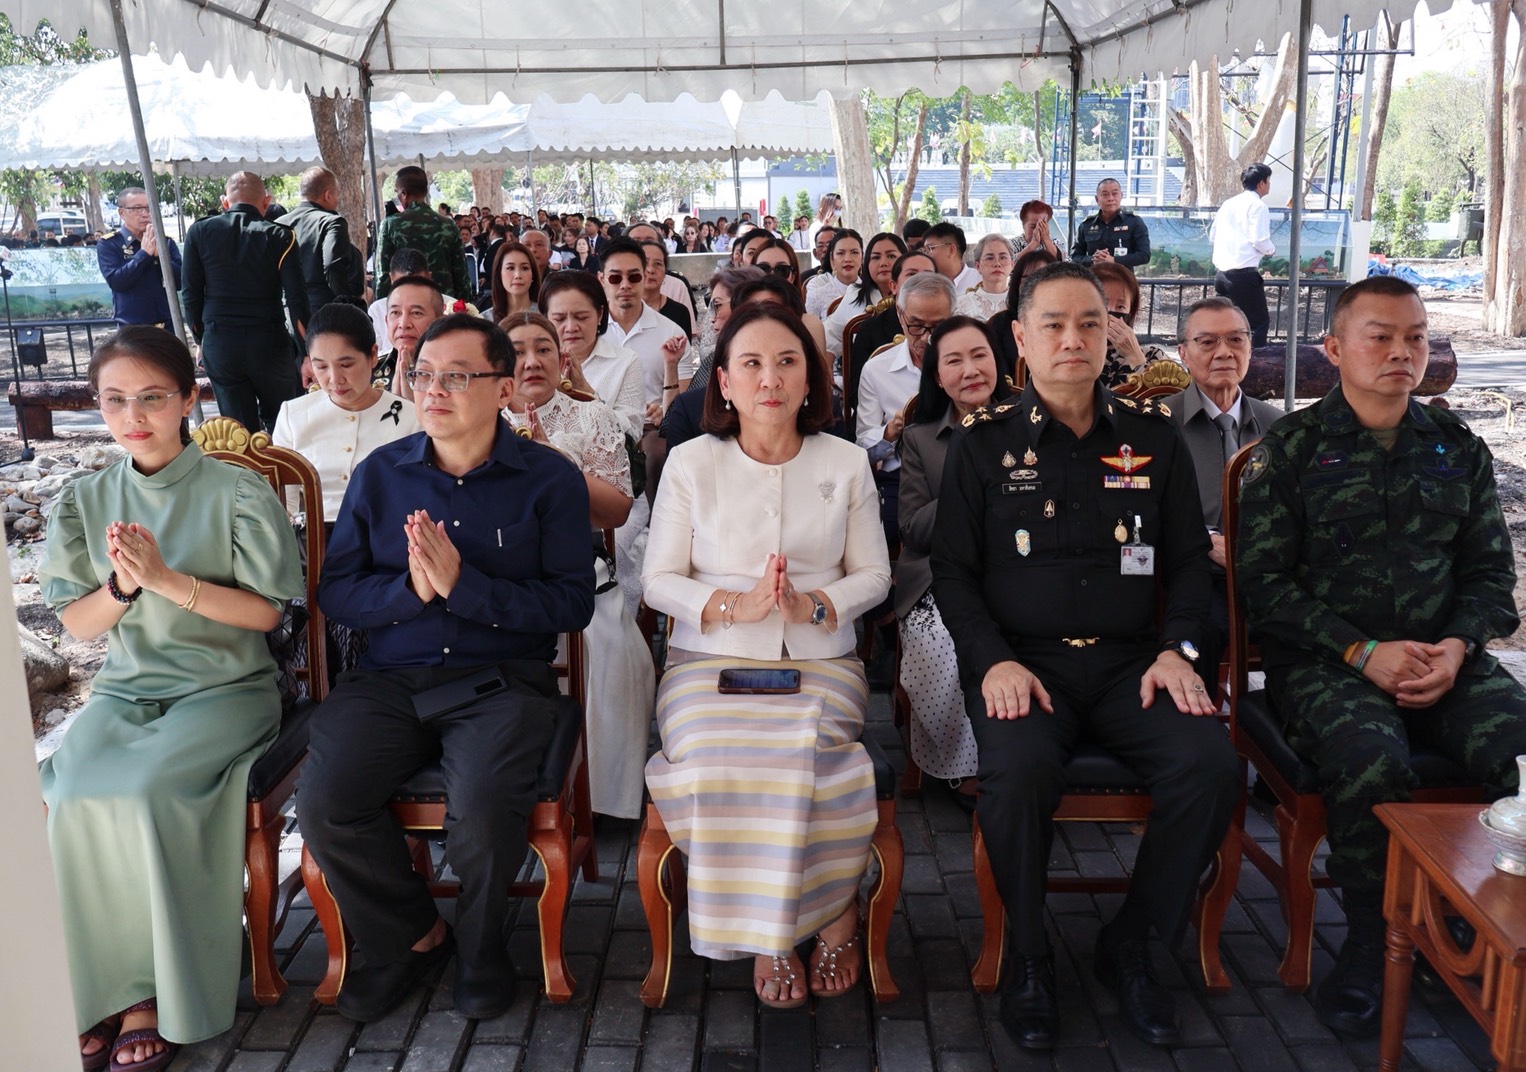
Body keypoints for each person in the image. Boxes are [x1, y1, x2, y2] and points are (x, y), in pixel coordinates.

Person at [932, 261, 1238, 1051]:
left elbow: (1188, 565)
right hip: (1024, 666)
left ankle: (1133, 942)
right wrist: (993, 662)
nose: (1073, 339)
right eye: (1055, 325)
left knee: (1209, 766)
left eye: (1090, 324)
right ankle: (1029, 955)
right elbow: (953, 576)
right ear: (1021, 338)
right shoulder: (984, 444)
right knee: (1017, 773)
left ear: (1111, 335)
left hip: (1135, 664)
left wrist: (1179, 651)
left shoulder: (1152, 437)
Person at [1234, 274, 1526, 1039]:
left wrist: (1457, 648)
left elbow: (1491, 576)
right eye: (1382, 336)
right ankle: (1371, 937)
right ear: (1334, 349)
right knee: (1371, 758)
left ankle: (1480, 921)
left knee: (1521, 751)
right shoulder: (1292, 451)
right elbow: (1263, 586)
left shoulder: (1456, 448)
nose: (1402, 352)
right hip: (1328, 664)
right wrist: (1362, 652)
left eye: (1416, 337)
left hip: (1445, 661)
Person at [297, 315, 596, 1025]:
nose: (433, 390)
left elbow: (572, 603)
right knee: (326, 803)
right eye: (424, 374)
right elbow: (338, 592)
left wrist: (466, 588)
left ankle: (483, 949)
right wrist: (411, 592)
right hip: (391, 678)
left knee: (483, 814)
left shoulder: (548, 479)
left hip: (500, 682)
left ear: (502, 389)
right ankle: (410, 936)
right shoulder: (381, 475)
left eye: (456, 376)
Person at [41, 326, 302, 1072]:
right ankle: (97, 986)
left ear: (189, 399)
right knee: (72, 793)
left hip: (226, 690)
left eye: (152, 397)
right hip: (127, 693)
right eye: (114, 400)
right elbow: (76, 623)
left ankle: (155, 991)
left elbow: (267, 614)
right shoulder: (86, 499)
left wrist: (167, 581)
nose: (133, 416)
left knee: (149, 792)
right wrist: (124, 587)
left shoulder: (237, 491)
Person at [642, 302, 892, 1010]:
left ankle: (834, 912)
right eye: (750, 364)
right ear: (723, 382)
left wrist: (812, 606)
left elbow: (875, 575)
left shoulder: (845, 461)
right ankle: (773, 932)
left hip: (821, 661)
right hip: (708, 661)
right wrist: (734, 605)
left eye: (787, 362)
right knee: (717, 755)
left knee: (807, 755)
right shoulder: (692, 462)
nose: (770, 379)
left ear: (811, 379)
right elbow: (659, 580)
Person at [501, 311, 653, 819]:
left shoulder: (591, 417)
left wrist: (555, 465)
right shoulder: (477, 419)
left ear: (561, 358)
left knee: (612, 648)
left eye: (543, 349)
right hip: (495, 572)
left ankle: (600, 799)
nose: (531, 361)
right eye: (517, 351)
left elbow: (616, 511)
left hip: (573, 567)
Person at [896, 316, 1003, 803]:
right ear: (937, 377)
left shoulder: (1029, 423)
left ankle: (1018, 752)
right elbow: (914, 529)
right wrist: (971, 477)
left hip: (1020, 569)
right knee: (943, 638)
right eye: (954, 361)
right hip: (938, 575)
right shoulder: (921, 438)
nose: (970, 370)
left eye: (980, 356)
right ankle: (965, 764)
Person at [1161, 296, 1282, 694]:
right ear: (1183, 352)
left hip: (1266, 572)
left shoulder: (1278, 427)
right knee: (1204, 626)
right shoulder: (1159, 425)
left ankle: (1280, 719)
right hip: (1192, 572)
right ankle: (1202, 718)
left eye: (1236, 339)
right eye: (1207, 342)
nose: (1224, 352)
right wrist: (1204, 542)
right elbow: (1138, 511)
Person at [181, 171, 311, 433]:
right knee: (283, 426)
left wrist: (201, 339)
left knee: (239, 432)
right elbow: (297, 300)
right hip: (270, 345)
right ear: (266, 202)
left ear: (225, 202)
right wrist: (307, 351)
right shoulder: (281, 236)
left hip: (221, 344)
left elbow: (191, 295)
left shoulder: (199, 232)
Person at [272, 301, 420, 523]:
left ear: (373, 355)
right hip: (314, 538)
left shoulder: (411, 418)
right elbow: (285, 504)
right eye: (321, 367)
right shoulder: (293, 416)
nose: (335, 379)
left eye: (346, 365)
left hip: (384, 535)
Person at [857, 272, 955, 542]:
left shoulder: (966, 365)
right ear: (901, 316)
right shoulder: (877, 369)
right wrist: (891, 432)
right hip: (901, 477)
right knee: (890, 535)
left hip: (961, 470)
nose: (926, 338)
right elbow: (862, 448)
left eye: (938, 327)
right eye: (916, 326)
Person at [662, 265, 764, 451]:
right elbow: (671, 422)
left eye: (717, 305)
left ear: (745, 304)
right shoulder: (713, 359)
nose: (711, 318)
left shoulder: (717, 361)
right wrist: (671, 365)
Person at [539, 271, 645, 441]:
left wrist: (587, 394)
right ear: (545, 319)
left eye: (581, 317)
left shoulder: (626, 362)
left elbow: (632, 433)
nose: (571, 327)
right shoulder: (533, 363)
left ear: (600, 314)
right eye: (559, 319)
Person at [600, 238, 691, 413]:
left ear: (644, 277)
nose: (625, 285)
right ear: (602, 279)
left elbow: (683, 404)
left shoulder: (672, 333)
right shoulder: (588, 332)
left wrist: (662, 413)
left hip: (652, 427)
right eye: (615, 278)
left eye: (634, 277)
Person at [278, 167, 364, 327]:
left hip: (287, 312)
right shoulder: (331, 222)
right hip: (324, 312)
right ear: (328, 195)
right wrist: (347, 304)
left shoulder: (279, 224)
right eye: (337, 195)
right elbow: (333, 265)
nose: (337, 200)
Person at [375, 166, 473, 301]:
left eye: (397, 192)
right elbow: (461, 274)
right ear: (426, 191)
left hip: (405, 303)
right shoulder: (448, 224)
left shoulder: (390, 224)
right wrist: (464, 306)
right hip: (443, 303)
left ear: (403, 193)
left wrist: (382, 307)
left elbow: (383, 274)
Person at [1211, 163, 1276, 346]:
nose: (1269, 184)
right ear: (1261, 183)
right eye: (1268, 180)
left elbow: (1213, 234)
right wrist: (1271, 250)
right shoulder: (1258, 206)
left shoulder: (1228, 204)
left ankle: (1222, 355)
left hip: (1221, 275)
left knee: (1224, 323)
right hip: (1244, 276)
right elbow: (1259, 240)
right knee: (1257, 324)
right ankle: (1252, 361)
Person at [97, 186, 181, 327]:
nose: (145, 214)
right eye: (137, 209)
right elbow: (117, 282)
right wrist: (144, 255)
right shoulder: (110, 244)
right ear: (122, 213)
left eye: (149, 208)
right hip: (132, 327)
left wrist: (160, 258)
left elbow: (180, 282)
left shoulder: (164, 242)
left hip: (167, 325)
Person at [824, 231, 906, 365]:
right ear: (866, 262)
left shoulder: (918, 295)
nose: (883, 263)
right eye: (876, 257)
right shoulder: (855, 294)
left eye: (891, 256)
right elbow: (831, 334)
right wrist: (827, 366)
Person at [1093, 261, 1169, 389]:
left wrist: (1136, 357)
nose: (1110, 313)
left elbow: (1166, 397)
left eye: (1120, 306)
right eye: (1103, 304)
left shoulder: (1153, 357)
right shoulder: (1071, 353)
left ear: (1131, 311)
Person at [988, 248, 1059, 383]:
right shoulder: (999, 324)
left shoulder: (1070, 322)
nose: (1035, 286)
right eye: (1027, 280)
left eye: (1043, 279)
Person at [750, 238, 829, 359]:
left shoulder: (810, 325)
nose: (772, 276)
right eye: (763, 269)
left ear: (793, 276)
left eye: (782, 270)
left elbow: (819, 371)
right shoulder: (739, 323)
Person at [379, 275, 447, 399]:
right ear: (386, 320)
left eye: (416, 313)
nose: (404, 324)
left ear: (439, 321)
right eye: (395, 313)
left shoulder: (455, 373)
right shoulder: (368, 370)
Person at [1070, 178, 1151, 269]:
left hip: (1123, 276)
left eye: (1114, 193)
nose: (1110, 198)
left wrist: (1114, 260)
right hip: (1093, 276)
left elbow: (1144, 255)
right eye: (1105, 195)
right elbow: (1074, 257)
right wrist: (1092, 259)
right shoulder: (1086, 225)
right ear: (1097, 199)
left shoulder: (1134, 222)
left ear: (1121, 196)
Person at [638, 239, 694, 336]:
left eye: (658, 264)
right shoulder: (621, 308)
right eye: (644, 263)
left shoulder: (680, 312)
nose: (650, 270)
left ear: (665, 272)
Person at [804, 229, 863, 320]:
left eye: (854, 252)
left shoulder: (874, 292)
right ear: (832, 258)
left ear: (862, 257)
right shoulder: (817, 296)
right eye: (840, 253)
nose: (848, 259)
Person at [954, 233, 1015, 321]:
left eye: (1003, 257)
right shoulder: (962, 305)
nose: (997, 264)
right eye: (990, 258)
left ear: (1012, 264)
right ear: (978, 266)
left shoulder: (1022, 303)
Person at [921, 221, 982, 294]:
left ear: (951, 250)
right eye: (924, 250)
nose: (925, 255)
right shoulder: (924, 283)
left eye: (930, 248)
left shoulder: (981, 280)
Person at [488, 240, 542, 323]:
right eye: (510, 268)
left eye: (524, 268)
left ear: (533, 274)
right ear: (499, 274)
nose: (518, 275)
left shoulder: (547, 315)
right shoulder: (485, 320)